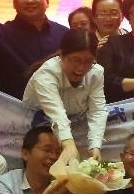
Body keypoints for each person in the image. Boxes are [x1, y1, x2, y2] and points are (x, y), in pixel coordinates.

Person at [23, 29, 107, 161]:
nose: (81, 68)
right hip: (36, 127)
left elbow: (97, 110)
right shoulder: (46, 74)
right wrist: (68, 144)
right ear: (62, 55)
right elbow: (57, 113)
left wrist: (95, 146)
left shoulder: (96, 72)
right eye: (76, 60)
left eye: (88, 61)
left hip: (72, 127)